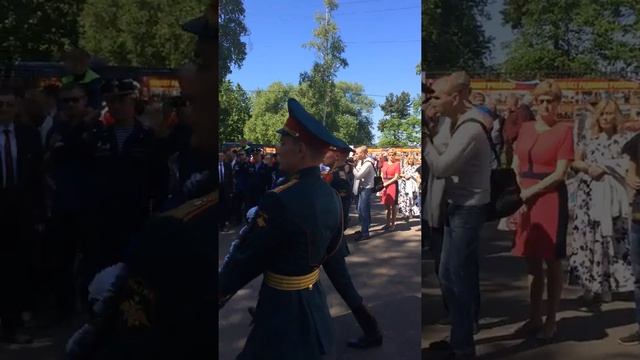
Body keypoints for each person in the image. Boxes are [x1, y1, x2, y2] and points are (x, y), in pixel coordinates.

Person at [219, 98, 344, 359]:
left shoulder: (280, 199)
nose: (278, 148)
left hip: (282, 311)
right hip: (314, 302)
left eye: (283, 142)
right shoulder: (330, 195)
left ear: (299, 150)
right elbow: (332, 248)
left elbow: (245, 258)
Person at [423, 71, 492, 358]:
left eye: (438, 96)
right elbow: (442, 150)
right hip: (457, 206)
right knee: (449, 274)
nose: (432, 101)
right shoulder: (455, 122)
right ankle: (459, 337)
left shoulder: (470, 129)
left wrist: (424, 138)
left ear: (456, 97)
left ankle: (463, 346)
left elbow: (441, 167)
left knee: (457, 278)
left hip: (468, 209)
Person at [511, 80, 574, 340]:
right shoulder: (525, 128)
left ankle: (551, 319)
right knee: (531, 260)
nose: (546, 105)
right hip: (524, 197)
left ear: (558, 103)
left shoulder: (564, 130)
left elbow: (560, 173)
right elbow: (515, 161)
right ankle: (534, 317)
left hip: (550, 199)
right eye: (542, 100)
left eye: (551, 100)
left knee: (552, 261)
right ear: (535, 103)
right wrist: (518, 191)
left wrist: (529, 192)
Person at [569, 99, 634, 305]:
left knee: (611, 239)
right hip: (588, 194)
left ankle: (613, 285)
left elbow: (628, 164)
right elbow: (576, 161)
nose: (606, 118)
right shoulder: (588, 137)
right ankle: (589, 286)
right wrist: (588, 168)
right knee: (589, 238)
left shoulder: (624, 139)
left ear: (617, 116)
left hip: (613, 197)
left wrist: (606, 168)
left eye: (610, 114)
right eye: (603, 114)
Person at [321, 142, 383, 349]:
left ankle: (372, 331)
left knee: (346, 289)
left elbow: (340, 215)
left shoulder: (338, 178)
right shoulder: (332, 172)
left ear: (337, 154)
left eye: (328, 150)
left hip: (330, 243)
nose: (324, 153)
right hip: (322, 242)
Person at [0, 83, 45, 344]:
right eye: (0, 105)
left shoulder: (28, 134)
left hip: (20, 209)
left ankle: (13, 323)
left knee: (16, 269)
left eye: (9, 104)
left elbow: (37, 177)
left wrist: (39, 214)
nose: (4, 109)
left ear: (16, 107)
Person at [620, 127, 640, 345]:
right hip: (638, 217)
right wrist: (630, 177)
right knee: (639, 276)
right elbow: (631, 171)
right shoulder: (638, 141)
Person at [352, 146, 376, 241]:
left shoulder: (368, 163)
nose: (356, 155)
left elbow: (358, 175)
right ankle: (364, 228)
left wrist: (352, 167)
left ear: (363, 153)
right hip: (361, 188)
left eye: (357, 153)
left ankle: (365, 233)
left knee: (363, 210)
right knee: (360, 209)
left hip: (366, 189)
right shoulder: (361, 161)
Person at [381, 150, 401, 230]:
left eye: (393, 155)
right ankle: (387, 223)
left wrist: (387, 183)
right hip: (384, 184)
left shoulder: (397, 164)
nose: (391, 156)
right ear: (388, 155)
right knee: (386, 206)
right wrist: (382, 182)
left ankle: (393, 224)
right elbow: (381, 173)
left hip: (392, 185)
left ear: (395, 156)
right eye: (390, 154)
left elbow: (396, 177)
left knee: (393, 206)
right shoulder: (385, 163)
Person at [399, 155, 421, 221]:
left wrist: (418, 182)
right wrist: (404, 175)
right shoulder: (405, 167)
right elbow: (400, 174)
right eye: (409, 159)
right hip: (405, 184)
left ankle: (412, 212)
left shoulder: (416, 167)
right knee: (405, 199)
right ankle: (406, 214)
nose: (411, 160)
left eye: (412, 159)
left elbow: (418, 177)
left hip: (413, 185)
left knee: (412, 199)